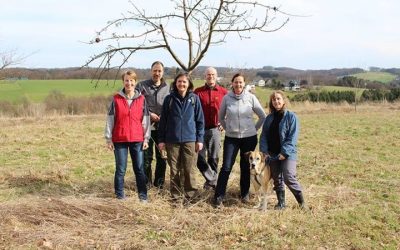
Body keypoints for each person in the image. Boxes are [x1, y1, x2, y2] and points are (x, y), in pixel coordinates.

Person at [213, 73, 266, 207]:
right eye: (236, 82)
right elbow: (220, 118)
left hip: (249, 138)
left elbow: (262, 116)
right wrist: (228, 128)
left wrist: (254, 129)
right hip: (232, 138)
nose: (238, 84)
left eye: (241, 82)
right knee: (226, 167)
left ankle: (244, 194)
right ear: (232, 83)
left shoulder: (251, 98)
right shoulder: (226, 98)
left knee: (246, 167)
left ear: (244, 84)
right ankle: (219, 196)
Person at [105, 70, 150, 202]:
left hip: (137, 139)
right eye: (126, 80)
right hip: (120, 139)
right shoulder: (116, 99)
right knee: (120, 169)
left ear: (135, 82)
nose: (129, 83)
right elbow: (110, 119)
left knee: (139, 169)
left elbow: (145, 120)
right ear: (123, 82)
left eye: (131, 80)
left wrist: (146, 138)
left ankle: (143, 196)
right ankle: (120, 196)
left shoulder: (141, 99)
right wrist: (109, 139)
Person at [158, 72, 205, 201]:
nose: (182, 84)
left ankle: (191, 195)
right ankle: (176, 195)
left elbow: (200, 121)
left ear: (189, 84)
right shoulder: (169, 99)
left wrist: (199, 139)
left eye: (184, 82)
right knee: (174, 170)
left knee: (189, 169)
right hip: (172, 140)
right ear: (175, 83)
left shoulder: (194, 99)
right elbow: (163, 122)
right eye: (179, 81)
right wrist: (161, 140)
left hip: (190, 140)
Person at [259, 90, 307, 210]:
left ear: (284, 101)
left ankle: (302, 203)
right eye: (274, 99)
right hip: (272, 153)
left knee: (288, 176)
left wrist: (284, 152)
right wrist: (264, 151)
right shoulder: (269, 118)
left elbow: (292, 137)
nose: (276, 101)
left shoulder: (292, 117)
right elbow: (263, 135)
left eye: (278, 99)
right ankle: (281, 203)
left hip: (288, 153)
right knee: (277, 178)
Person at [137, 61, 170, 189]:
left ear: (163, 72)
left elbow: (171, 105)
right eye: (155, 71)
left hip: (163, 129)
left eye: (159, 71)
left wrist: (164, 115)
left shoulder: (168, 87)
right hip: (146, 128)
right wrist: (149, 114)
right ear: (151, 71)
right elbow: (137, 104)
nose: (157, 73)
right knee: (146, 158)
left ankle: (159, 185)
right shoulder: (141, 86)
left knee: (162, 158)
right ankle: (146, 185)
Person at [194, 67, 227, 189]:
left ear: (216, 76)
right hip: (200, 130)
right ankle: (213, 179)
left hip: (215, 130)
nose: (210, 76)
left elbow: (229, 109)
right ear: (205, 77)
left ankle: (210, 184)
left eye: (213, 74)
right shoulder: (197, 92)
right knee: (199, 157)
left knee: (213, 157)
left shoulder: (223, 92)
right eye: (208, 74)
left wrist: (225, 122)